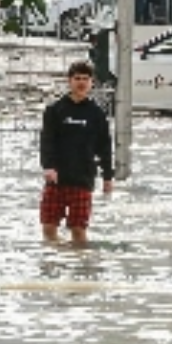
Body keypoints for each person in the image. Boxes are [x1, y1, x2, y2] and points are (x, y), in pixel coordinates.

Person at [39, 60, 115, 245]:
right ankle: (57, 261)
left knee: (78, 230)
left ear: (91, 83)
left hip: (83, 179)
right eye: (77, 78)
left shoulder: (97, 114)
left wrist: (107, 176)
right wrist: (48, 166)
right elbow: (46, 141)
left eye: (85, 79)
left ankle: (80, 266)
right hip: (56, 178)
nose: (81, 83)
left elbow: (105, 146)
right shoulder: (55, 110)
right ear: (69, 81)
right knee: (48, 227)